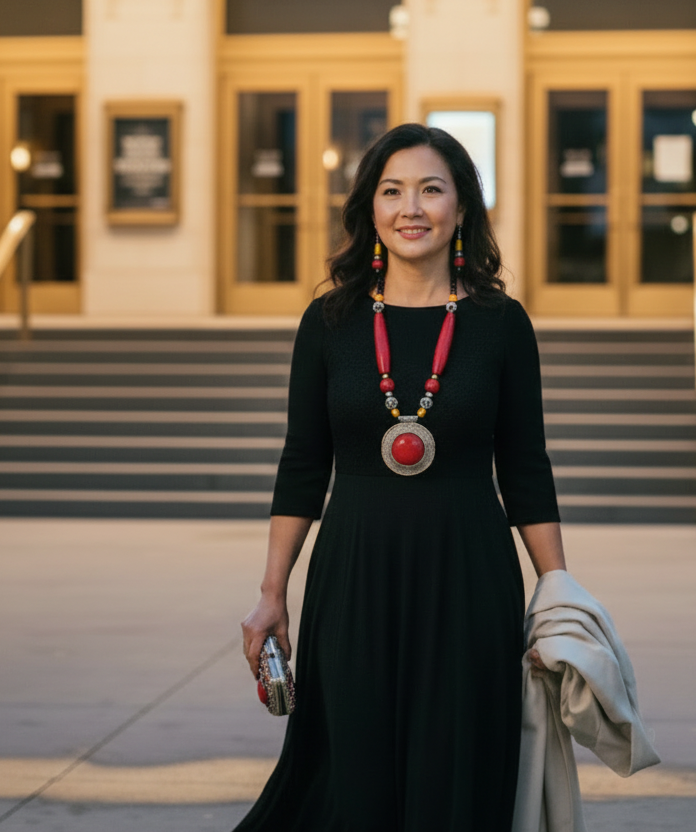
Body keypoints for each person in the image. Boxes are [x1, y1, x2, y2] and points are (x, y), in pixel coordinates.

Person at [236, 123, 567, 831]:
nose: (410, 207)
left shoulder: (500, 324)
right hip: (354, 577)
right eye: (392, 190)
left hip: (469, 579)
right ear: (370, 208)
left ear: (462, 208)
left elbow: (526, 466)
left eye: (430, 189)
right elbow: (302, 464)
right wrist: (272, 593)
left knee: (457, 773)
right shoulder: (330, 322)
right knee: (347, 771)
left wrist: (556, 595)